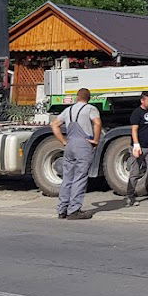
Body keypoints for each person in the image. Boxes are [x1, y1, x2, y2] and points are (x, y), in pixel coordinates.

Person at [52, 87, 101, 219]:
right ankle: (74, 210)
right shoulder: (90, 109)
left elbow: (54, 125)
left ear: (77, 97)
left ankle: (62, 209)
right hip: (83, 145)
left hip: (70, 144)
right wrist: (96, 140)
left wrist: (63, 141)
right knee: (80, 177)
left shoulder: (68, 110)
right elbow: (97, 123)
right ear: (88, 98)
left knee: (67, 177)